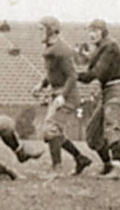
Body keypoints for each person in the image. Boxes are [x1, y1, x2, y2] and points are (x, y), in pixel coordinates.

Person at [32, 16, 92, 178]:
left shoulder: (62, 50)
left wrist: (63, 96)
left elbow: (72, 76)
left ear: (51, 30)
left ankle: (57, 168)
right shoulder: (52, 49)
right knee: (52, 132)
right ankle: (80, 158)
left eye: (41, 29)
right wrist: (41, 84)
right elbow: (52, 72)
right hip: (58, 93)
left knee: (51, 129)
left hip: (67, 96)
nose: (39, 33)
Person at [78, 19, 120, 179]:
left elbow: (95, 74)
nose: (91, 34)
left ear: (103, 32)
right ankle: (107, 165)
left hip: (117, 90)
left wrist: (71, 75)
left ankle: (117, 168)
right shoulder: (102, 48)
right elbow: (90, 73)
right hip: (106, 92)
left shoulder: (110, 46)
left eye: (96, 30)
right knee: (93, 135)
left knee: (113, 128)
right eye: (90, 30)